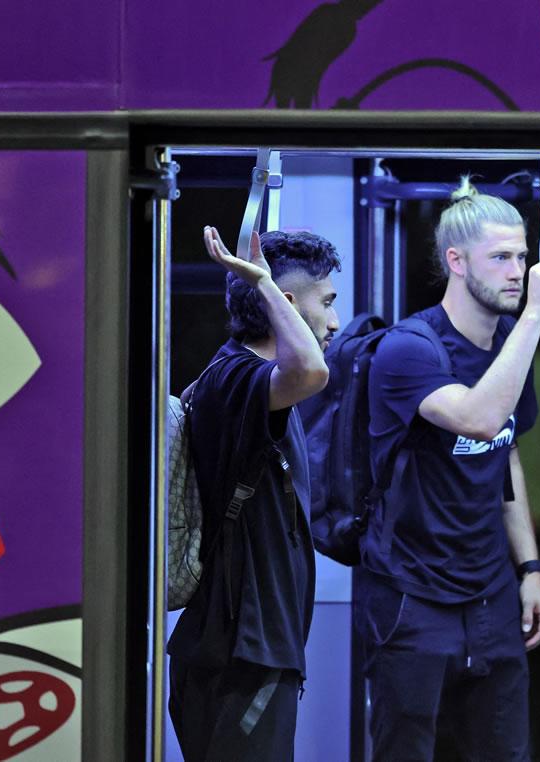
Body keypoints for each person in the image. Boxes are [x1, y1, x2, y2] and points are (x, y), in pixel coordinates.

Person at [359, 177, 540, 760]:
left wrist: (530, 569)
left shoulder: (510, 342)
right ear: (456, 261)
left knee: (506, 752)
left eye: (522, 257)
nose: (517, 272)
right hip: (412, 590)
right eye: (500, 258)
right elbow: (479, 418)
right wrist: (536, 315)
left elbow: (506, 450)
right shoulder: (410, 348)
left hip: (490, 590)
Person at [168, 226, 340, 761]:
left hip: (252, 653)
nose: (335, 321)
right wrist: (264, 285)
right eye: (327, 302)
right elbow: (311, 372)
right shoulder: (234, 379)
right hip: (241, 655)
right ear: (286, 302)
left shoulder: (252, 383)